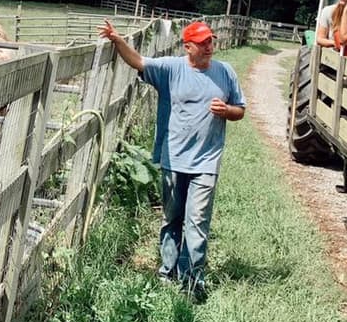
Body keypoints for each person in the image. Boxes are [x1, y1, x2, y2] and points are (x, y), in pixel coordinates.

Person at [99, 18, 245, 300]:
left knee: (198, 221)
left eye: (210, 41)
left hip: (206, 161)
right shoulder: (171, 69)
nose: (208, 47)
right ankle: (168, 272)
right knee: (172, 218)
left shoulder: (225, 72)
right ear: (187, 46)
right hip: (174, 158)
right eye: (202, 43)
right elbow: (139, 61)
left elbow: (240, 109)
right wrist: (117, 41)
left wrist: (227, 110)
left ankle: (193, 281)